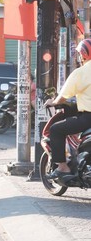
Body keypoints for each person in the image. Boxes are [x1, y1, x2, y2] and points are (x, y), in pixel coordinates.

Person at [44, 38, 91, 179]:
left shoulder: (81, 72)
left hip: (88, 118)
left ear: (83, 55)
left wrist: (53, 102)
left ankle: (63, 167)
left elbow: (63, 96)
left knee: (55, 130)